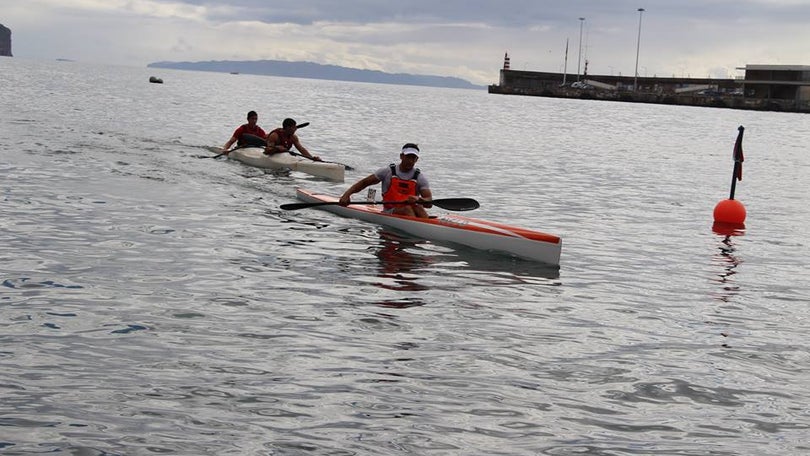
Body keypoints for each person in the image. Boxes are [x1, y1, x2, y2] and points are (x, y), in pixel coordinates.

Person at [339, 143, 432, 218]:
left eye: (413, 158)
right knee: (407, 208)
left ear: (417, 159)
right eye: (408, 157)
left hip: (411, 212)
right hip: (389, 211)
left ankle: (428, 229)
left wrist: (419, 199)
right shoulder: (387, 172)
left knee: (418, 206)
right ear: (401, 156)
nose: (410, 160)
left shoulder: (420, 177)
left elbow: (429, 203)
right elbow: (364, 183)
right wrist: (347, 195)